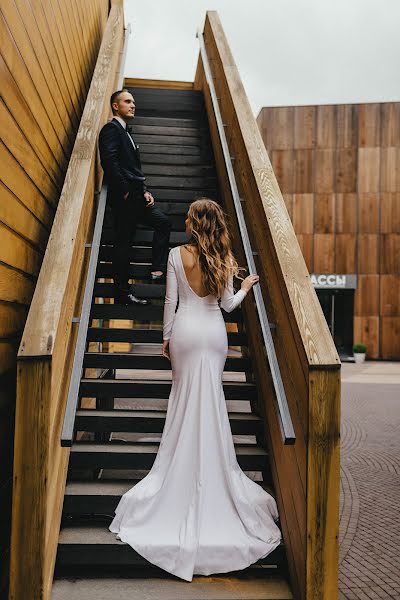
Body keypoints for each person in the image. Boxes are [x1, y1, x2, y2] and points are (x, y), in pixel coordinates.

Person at [109, 198, 281, 581]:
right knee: (210, 402)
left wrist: (166, 339)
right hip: (213, 334)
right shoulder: (223, 257)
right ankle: (212, 467)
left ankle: (178, 467)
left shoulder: (174, 254)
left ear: (195, 222)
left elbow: (170, 302)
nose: (184, 219)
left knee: (183, 401)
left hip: (186, 332)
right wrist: (247, 286)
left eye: (189, 216)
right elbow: (229, 306)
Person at [99, 89, 171, 305]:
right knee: (124, 243)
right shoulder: (111, 130)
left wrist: (145, 190)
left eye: (133, 102)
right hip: (126, 197)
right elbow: (109, 162)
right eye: (127, 101)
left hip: (138, 195)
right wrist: (125, 190)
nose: (133, 105)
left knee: (163, 223)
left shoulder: (127, 132)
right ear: (115, 106)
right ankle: (122, 292)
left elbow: (132, 167)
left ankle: (157, 269)